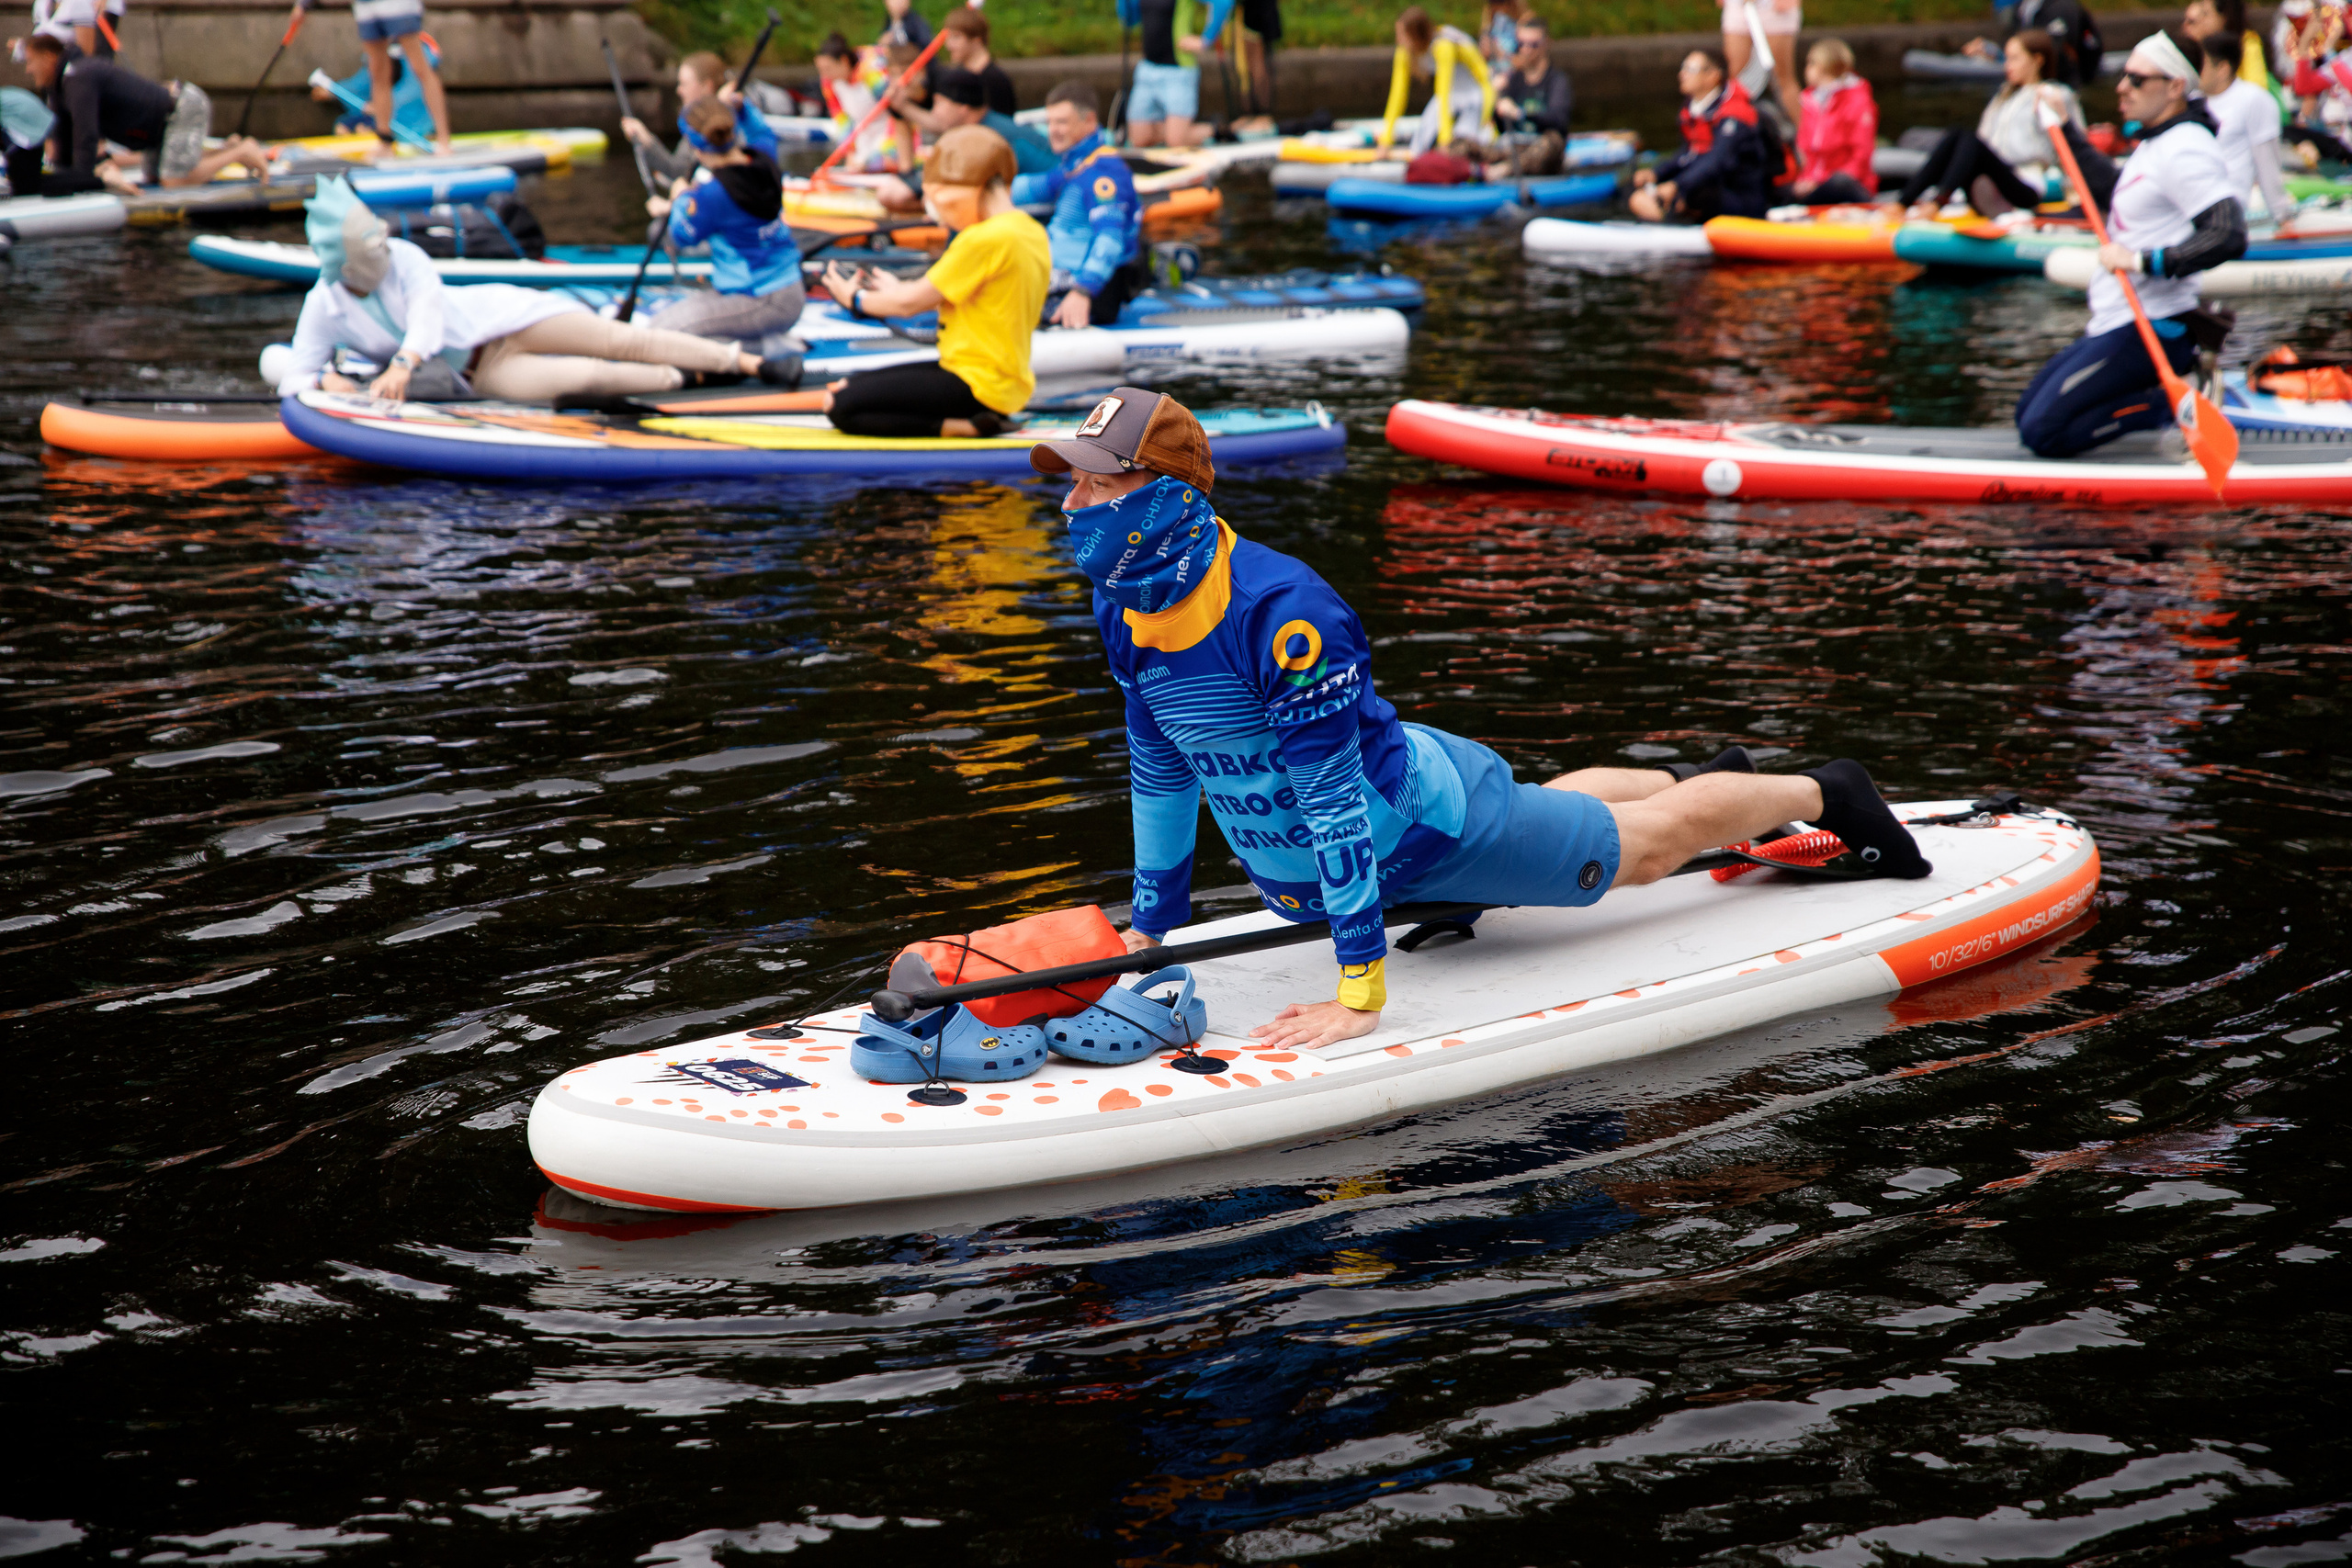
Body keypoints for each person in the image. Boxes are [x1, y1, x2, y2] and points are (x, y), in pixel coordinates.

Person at [1029, 386, 1936, 1051]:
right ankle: (1704, 774)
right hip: (1371, 849)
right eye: (1070, 483)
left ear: (1170, 494)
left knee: (1645, 852)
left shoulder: (1281, 615)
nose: (1073, 504)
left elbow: (1334, 798)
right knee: (1547, 806)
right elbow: (1160, 764)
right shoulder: (1126, 604)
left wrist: (1359, 992)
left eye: (1097, 486)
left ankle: (1823, 791)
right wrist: (1152, 923)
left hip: (1423, 833)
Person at [276, 178, 794, 404]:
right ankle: (688, 379)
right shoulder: (325, 306)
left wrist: (402, 365)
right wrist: (323, 382)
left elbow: (426, 320)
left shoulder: (407, 260)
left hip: (509, 317)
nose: (385, 251)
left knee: (619, 340)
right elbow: (291, 375)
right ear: (345, 263)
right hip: (484, 372)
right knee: (592, 377)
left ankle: (749, 365)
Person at [2015, 31, 2245, 457]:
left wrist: (2142, 261)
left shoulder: (2186, 149)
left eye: (2137, 80)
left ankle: (2172, 404)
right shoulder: (2156, 141)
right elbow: (2112, 190)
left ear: (2175, 86)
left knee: (2042, 433)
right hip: (2119, 320)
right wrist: (2066, 128)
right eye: (2124, 76)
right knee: (2024, 415)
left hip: (2155, 327)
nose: (2122, 87)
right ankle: (2154, 401)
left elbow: (2228, 234)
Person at [815, 124, 1050, 439]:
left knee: (838, 404)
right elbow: (948, 292)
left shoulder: (984, 238)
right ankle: (977, 419)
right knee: (848, 384)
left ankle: (961, 427)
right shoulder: (1029, 231)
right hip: (999, 382)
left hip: (975, 384)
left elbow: (909, 305)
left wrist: (854, 298)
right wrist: (896, 290)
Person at [642, 97, 803, 344]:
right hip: (782, 290)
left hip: (762, 298)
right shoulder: (764, 157)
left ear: (696, 149)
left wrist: (680, 198)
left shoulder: (711, 196)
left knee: (659, 337)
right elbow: (761, 131)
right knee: (659, 324)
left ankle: (765, 354)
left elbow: (682, 235)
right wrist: (743, 107)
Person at [21, 35, 269, 193]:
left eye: (31, 62)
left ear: (49, 57)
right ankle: (230, 147)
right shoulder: (60, 88)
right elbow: (63, 143)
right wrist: (61, 180)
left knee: (172, 183)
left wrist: (82, 186)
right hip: (158, 128)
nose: (28, 70)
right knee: (153, 176)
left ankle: (240, 152)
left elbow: (85, 136)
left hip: (180, 109)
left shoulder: (79, 78)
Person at [1896, 28, 2081, 218]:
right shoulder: (2003, 97)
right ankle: (1903, 203)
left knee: (1968, 137)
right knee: (1957, 135)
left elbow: (2076, 144)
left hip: (2026, 185)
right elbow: (1980, 144)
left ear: (2037, 60)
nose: (2007, 66)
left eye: (2015, 59)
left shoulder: (2054, 95)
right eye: (2007, 59)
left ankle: (1937, 202)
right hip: (1990, 179)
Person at [1014, 81, 1144, 328]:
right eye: (1050, 122)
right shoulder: (1077, 164)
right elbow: (1031, 189)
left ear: (1089, 121)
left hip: (1085, 291)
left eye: (1062, 122)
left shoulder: (1103, 172)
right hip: (1058, 277)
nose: (1053, 130)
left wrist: (1082, 292)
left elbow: (1110, 239)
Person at [874, 65, 1053, 212]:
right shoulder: (984, 125)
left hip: (1040, 206)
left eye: (939, 103)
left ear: (962, 108)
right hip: (1023, 198)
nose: (934, 111)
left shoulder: (987, 137)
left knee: (899, 194)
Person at [289, 0, 451, 156]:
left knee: (419, 66)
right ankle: (385, 141)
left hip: (397, 4)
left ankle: (443, 140)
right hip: (366, 5)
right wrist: (303, 4)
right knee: (378, 72)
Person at [1629, 48, 1771, 221]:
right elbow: (1687, 153)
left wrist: (1677, 186)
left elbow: (1716, 161)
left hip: (1740, 197)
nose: (1683, 74)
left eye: (1691, 69)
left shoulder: (1735, 115)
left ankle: (1665, 221)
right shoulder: (1693, 109)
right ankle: (1662, 216)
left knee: (1695, 192)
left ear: (1713, 76)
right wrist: (1656, 173)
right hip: (1709, 184)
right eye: (1683, 68)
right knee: (1632, 184)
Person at [621, 51, 775, 182]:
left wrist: (646, 141)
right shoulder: (698, 121)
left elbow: (679, 172)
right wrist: (645, 140)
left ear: (706, 86)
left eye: (684, 84)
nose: (679, 90)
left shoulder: (718, 122)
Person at [2196, 28, 2293, 219]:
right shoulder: (2191, 101)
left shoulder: (2254, 100)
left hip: (2227, 210)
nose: (2195, 70)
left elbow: (2267, 163)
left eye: (2201, 65)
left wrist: (2281, 215)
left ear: (2223, 68)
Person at [1117, 0, 1230, 149]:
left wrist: (1206, 40)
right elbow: (1129, 21)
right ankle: (1176, 129)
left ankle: (1214, 130)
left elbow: (1223, 2)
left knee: (1175, 141)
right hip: (1147, 71)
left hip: (1178, 73)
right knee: (1138, 139)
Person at [1380, 6, 1493, 154]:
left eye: (1402, 35)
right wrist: (1385, 140)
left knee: (1463, 145)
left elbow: (1444, 91)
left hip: (1474, 95)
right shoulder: (1404, 53)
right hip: (1449, 97)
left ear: (1415, 35)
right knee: (1418, 147)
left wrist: (1445, 140)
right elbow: (1397, 95)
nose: (1398, 40)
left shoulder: (1443, 46)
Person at [1791, 37, 1876, 203]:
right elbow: (1806, 151)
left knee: (1839, 183)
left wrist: (1818, 182)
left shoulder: (1857, 102)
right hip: (1814, 182)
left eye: (1811, 63)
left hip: (1847, 183)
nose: (1806, 69)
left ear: (1824, 67)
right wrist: (1805, 180)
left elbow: (1861, 156)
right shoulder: (1809, 102)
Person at [315, 40, 436, 144]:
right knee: (343, 127)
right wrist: (332, 90)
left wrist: (381, 107)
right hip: (379, 120)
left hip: (409, 124)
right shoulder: (377, 59)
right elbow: (359, 84)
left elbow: (412, 93)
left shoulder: (415, 65)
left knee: (363, 129)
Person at [1962, 0, 2103, 85]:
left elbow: (2055, 51)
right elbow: (2014, 41)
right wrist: (1990, 50)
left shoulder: (2062, 7)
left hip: (2059, 84)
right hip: (2030, 84)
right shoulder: (2023, 7)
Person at [1723, 0, 1800, 120]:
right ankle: (1731, 130)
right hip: (1739, 6)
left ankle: (1806, 134)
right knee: (1735, 78)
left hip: (1774, 9)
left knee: (1782, 78)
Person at [2185, 0, 2272, 90]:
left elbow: (2257, 88)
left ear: (2224, 17)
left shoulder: (2247, 43)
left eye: (2206, 14)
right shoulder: (2200, 42)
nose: (2201, 20)